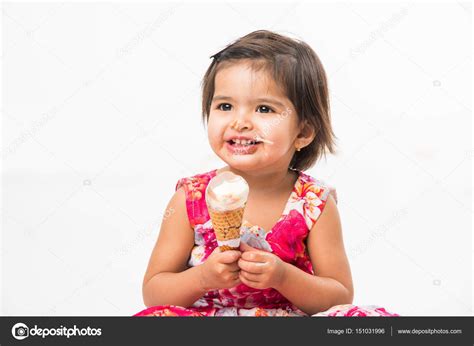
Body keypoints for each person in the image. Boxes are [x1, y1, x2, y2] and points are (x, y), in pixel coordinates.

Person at [134, 30, 398, 317]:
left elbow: (338, 295)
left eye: (263, 108)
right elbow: (154, 292)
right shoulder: (191, 199)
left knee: (360, 319)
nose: (240, 122)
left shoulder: (314, 204)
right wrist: (202, 278)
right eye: (225, 106)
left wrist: (283, 277)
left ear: (304, 131)